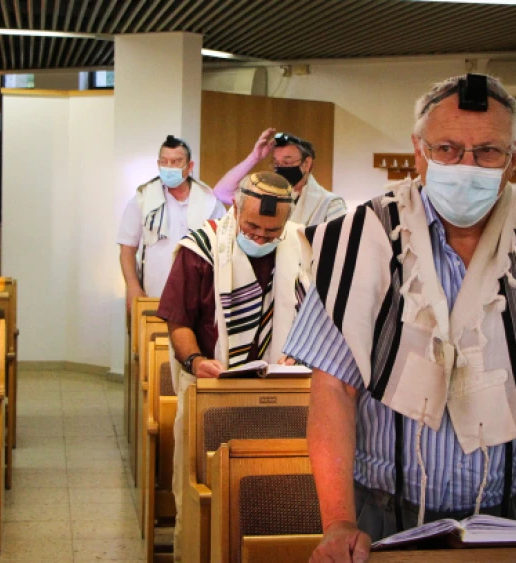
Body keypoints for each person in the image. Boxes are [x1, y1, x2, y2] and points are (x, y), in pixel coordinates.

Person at [288, 75, 516, 563]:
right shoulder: (358, 243)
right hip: (382, 513)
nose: (466, 167)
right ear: (419, 151)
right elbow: (333, 390)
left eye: (487, 151)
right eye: (448, 149)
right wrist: (338, 522)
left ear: (513, 156)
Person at [157, 172, 309, 560]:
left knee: (279, 495)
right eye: (252, 227)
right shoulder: (201, 248)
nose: (259, 238)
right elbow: (178, 320)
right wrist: (195, 361)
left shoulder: (302, 246)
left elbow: (316, 315)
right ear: (236, 209)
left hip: (283, 395)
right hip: (215, 393)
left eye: (271, 231)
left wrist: (302, 352)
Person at [117, 135, 226, 309]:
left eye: (176, 162)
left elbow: (222, 251)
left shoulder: (210, 202)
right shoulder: (143, 199)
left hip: (198, 301)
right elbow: (127, 249)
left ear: (190, 166)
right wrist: (133, 286)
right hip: (153, 296)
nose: (169, 167)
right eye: (164, 162)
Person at [213, 128, 346, 226]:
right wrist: (254, 158)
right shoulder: (266, 194)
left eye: (287, 162)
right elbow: (221, 192)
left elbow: (336, 244)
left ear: (306, 164)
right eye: (276, 163)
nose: (281, 168)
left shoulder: (330, 204)